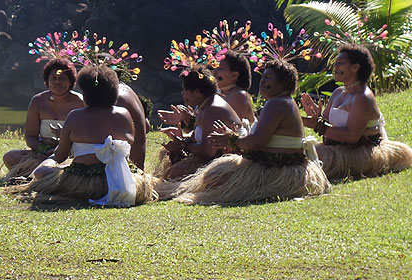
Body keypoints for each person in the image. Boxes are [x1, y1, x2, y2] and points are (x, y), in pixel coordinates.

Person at [167, 60, 330, 204]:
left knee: (215, 178)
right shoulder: (280, 102)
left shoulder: (277, 103)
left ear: (283, 83)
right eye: (263, 77)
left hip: (278, 170)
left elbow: (257, 141)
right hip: (278, 166)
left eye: (268, 78)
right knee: (214, 176)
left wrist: (230, 140)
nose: (263, 81)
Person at [15, 65, 158, 207]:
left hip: (82, 179)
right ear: (113, 91)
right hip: (118, 179)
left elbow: (60, 156)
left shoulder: (75, 115)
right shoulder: (123, 114)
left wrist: (60, 147)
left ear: (86, 93)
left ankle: (27, 178)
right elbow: (129, 142)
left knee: (41, 171)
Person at [300, 44, 412, 180]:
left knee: (305, 160)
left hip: (360, 152)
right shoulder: (338, 92)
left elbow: (351, 136)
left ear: (355, 67)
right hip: (337, 148)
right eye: (336, 63)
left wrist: (317, 125)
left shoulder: (363, 97)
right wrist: (316, 117)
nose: (335, 66)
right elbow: (325, 128)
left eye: (340, 63)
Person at [0, 59, 84, 181]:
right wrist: (41, 149)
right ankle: (40, 175)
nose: (57, 82)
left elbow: (85, 138)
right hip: (42, 153)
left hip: (70, 153)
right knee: (10, 157)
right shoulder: (38, 101)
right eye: (53, 78)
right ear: (47, 81)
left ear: (71, 81)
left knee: (68, 163)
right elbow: (30, 136)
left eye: (63, 78)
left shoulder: (80, 102)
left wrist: (62, 147)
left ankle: (33, 177)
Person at [154, 66, 242, 180]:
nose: (182, 94)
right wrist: (181, 137)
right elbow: (198, 135)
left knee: (176, 171)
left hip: (227, 165)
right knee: (167, 153)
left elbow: (208, 151)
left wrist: (183, 145)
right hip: (212, 158)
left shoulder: (211, 109)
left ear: (197, 91)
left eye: (185, 90)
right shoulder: (204, 105)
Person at [215, 50, 256, 123]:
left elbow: (231, 128)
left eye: (220, 68)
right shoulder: (222, 93)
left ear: (234, 75)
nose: (215, 72)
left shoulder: (238, 95)